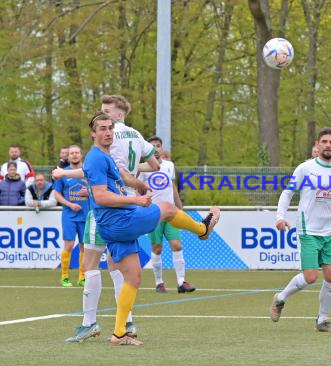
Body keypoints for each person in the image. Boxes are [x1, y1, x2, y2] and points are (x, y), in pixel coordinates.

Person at [80, 112, 220, 345]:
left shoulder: (105, 156)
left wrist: (138, 185)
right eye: (102, 129)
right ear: (93, 133)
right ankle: (201, 230)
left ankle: (119, 334)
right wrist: (135, 200)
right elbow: (102, 196)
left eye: (109, 128)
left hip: (116, 221)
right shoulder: (96, 158)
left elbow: (116, 184)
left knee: (133, 277)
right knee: (166, 208)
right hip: (118, 221)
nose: (107, 133)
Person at [58, 95, 161, 342]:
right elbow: (155, 165)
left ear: (118, 114)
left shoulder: (109, 140)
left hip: (107, 208)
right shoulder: (137, 136)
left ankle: (89, 323)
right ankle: (127, 324)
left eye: (106, 111)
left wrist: (65, 172)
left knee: (90, 264)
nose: (102, 115)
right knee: (120, 268)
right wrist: (134, 175)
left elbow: (96, 168)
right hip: (128, 206)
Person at [270, 127, 331, 332]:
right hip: (308, 230)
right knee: (311, 277)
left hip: (330, 230)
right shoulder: (305, 169)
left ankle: (322, 320)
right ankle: (280, 298)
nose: (328, 145)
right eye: (324, 142)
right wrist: (280, 217)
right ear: (317, 144)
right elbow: (287, 194)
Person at [138, 136, 195, 293]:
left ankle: (181, 282)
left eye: (158, 146)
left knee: (177, 245)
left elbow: (173, 186)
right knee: (157, 248)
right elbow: (138, 189)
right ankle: (159, 282)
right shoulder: (142, 167)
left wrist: (180, 207)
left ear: (162, 149)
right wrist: (139, 202)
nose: (155, 149)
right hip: (154, 212)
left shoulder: (169, 165)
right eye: (152, 146)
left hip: (171, 212)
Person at [53, 145, 89, 287]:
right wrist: (70, 204)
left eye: (77, 153)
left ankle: (82, 277)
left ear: (81, 155)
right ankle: (65, 277)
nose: (74, 155)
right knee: (68, 245)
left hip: (86, 214)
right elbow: (56, 193)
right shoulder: (62, 173)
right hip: (69, 215)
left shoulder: (87, 172)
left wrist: (89, 193)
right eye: (71, 153)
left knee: (84, 247)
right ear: (67, 157)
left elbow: (98, 190)